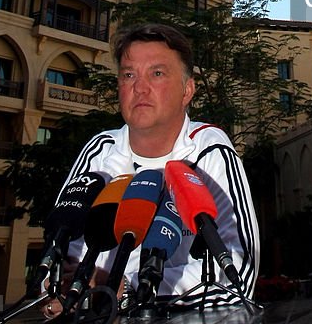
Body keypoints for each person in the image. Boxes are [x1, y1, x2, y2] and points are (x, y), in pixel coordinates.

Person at [42, 23, 259, 316]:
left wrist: (129, 290)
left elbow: (240, 273)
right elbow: (60, 255)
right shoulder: (99, 151)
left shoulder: (210, 150)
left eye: (157, 74)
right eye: (129, 75)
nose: (139, 87)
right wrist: (65, 288)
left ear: (187, 90)